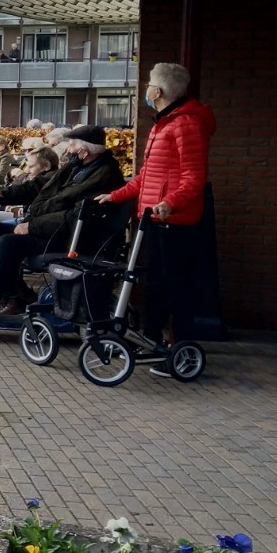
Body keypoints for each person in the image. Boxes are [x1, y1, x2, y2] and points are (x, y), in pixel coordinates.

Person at [96, 61, 216, 370]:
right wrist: (115, 196)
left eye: (149, 84)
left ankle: (182, 350)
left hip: (174, 221)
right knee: (157, 285)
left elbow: (194, 177)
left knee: (176, 287)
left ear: (157, 91)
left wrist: (170, 203)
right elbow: (146, 177)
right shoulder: (164, 124)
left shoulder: (185, 124)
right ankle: (153, 342)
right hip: (156, 219)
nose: (146, 89)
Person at [0, 127, 124, 323]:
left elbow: (75, 216)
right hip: (52, 228)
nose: (69, 150)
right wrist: (3, 194)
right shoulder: (76, 167)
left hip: (72, 237)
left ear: (85, 151)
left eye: (72, 146)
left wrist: (32, 226)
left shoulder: (104, 177)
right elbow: (38, 187)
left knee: (7, 243)